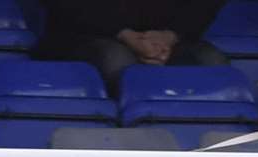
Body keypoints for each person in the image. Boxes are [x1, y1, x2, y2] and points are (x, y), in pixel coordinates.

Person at [35, 1, 228, 90]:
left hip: (168, 39)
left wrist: (169, 36)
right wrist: (125, 34)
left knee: (212, 62)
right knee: (118, 61)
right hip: (84, 36)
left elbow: (204, 6)